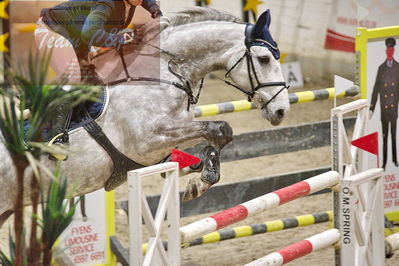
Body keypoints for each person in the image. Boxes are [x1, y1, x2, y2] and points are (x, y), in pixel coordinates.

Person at [35, 0, 162, 85]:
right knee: (73, 80)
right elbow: (89, 34)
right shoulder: (106, 4)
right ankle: (56, 124)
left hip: (75, 35)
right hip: (52, 29)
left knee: (90, 79)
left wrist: (155, 10)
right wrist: (125, 38)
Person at [369, 37, 399, 169]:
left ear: (393, 51)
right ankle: (384, 162)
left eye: (391, 50)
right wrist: (372, 108)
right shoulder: (381, 68)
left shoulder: (398, 67)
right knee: (385, 136)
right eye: (388, 50)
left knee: (393, 136)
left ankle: (395, 159)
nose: (390, 52)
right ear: (386, 52)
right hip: (384, 108)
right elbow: (376, 88)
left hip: (393, 108)